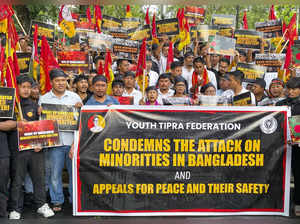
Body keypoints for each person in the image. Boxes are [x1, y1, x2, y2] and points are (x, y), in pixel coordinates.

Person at [9, 75, 54, 219]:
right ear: (17, 88)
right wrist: (16, 122)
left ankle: (41, 205)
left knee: (39, 179)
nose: (27, 90)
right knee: (17, 180)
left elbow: (43, 129)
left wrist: (41, 144)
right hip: (18, 150)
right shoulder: (11, 106)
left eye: (29, 87)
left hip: (35, 149)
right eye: (23, 87)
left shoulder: (36, 106)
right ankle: (15, 208)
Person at [39, 69, 82, 212]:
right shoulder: (44, 99)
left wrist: (75, 144)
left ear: (66, 81)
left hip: (72, 143)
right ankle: (57, 200)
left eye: (63, 80)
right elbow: (42, 123)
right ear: (51, 82)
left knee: (74, 174)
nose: (61, 83)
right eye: (57, 81)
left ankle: (74, 199)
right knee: (54, 175)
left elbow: (81, 122)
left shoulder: (75, 97)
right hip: (54, 143)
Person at [276, 77, 300, 216]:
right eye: (289, 89)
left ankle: (297, 204)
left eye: (294, 89)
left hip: (297, 147)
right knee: (276, 174)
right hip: (280, 145)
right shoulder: (280, 104)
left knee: (298, 175)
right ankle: (277, 203)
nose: (290, 91)